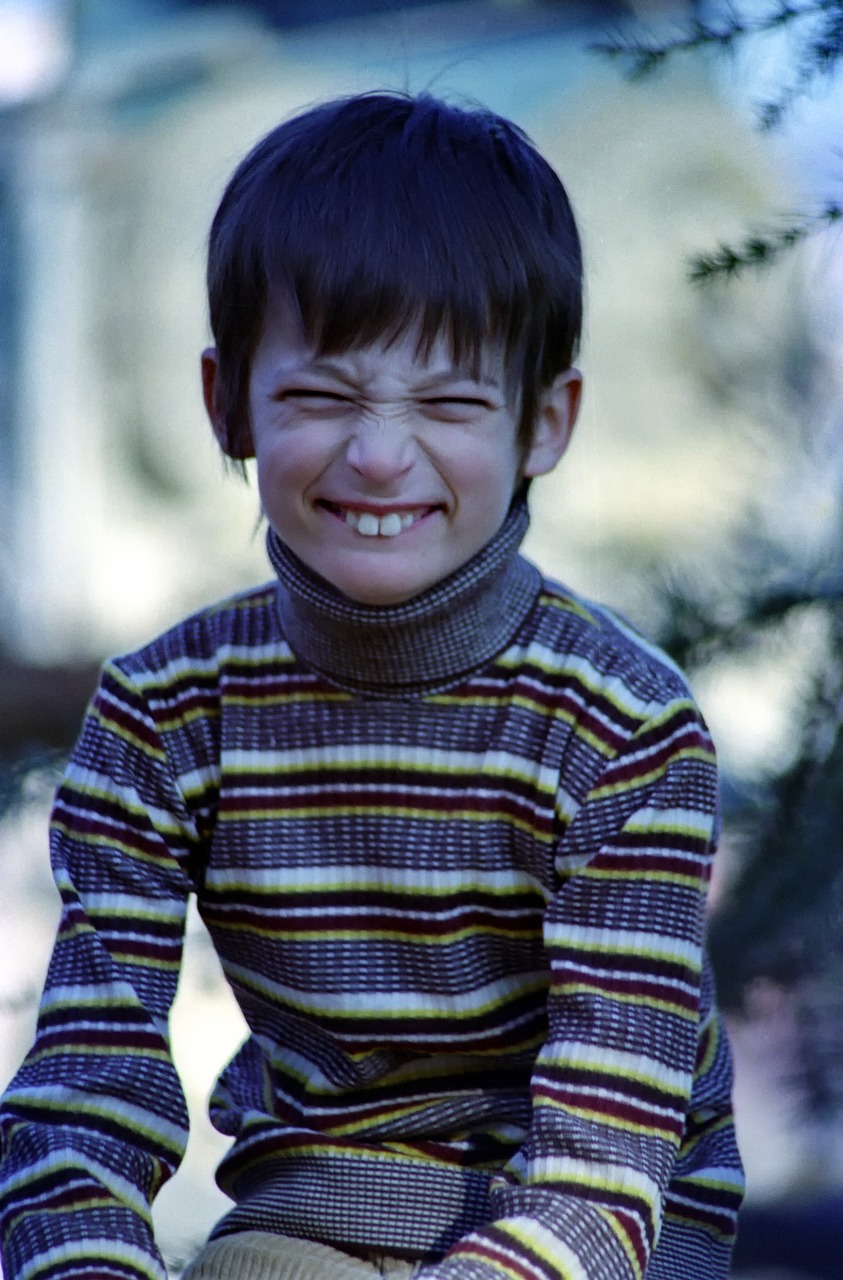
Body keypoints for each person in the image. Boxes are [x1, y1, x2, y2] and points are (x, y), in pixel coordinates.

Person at [0, 91, 744, 1280]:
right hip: (318, 1206)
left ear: (544, 422)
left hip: (601, 1230)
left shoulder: (624, 726)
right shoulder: (165, 713)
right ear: (226, 402)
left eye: (449, 401)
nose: (381, 452)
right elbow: (87, 1088)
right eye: (322, 394)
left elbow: (608, 1159)